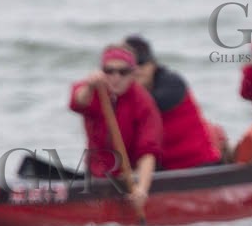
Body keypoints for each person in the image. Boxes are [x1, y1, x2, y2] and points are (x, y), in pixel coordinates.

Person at [68, 44, 161, 200]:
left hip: (129, 175)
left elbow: (148, 150)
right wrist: (89, 87)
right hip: (96, 172)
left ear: (133, 73)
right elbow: (77, 103)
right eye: (109, 71)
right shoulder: (95, 90)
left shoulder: (143, 102)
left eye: (123, 72)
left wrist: (142, 189)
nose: (115, 78)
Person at [123, 35, 222, 169]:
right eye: (130, 67)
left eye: (141, 63)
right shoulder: (125, 96)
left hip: (197, 165)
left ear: (153, 64)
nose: (137, 71)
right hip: (161, 168)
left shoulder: (172, 84)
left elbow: (146, 106)